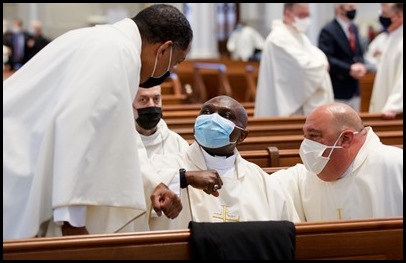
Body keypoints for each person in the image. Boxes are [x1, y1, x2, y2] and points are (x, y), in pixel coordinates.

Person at [3, 4, 193, 240]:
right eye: (176, 61)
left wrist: (152, 183)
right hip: (15, 158)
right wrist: (72, 222)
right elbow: (77, 129)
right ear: (164, 49)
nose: (171, 69)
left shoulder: (107, 42)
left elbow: (120, 133)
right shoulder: (116, 53)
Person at [149, 95, 300, 231]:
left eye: (226, 115)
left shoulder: (263, 182)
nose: (213, 119)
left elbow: (289, 234)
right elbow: (141, 190)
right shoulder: (166, 164)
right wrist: (184, 178)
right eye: (206, 112)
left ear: (242, 136)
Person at [271, 102, 403, 222]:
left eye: (314, 136)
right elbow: (265, 187)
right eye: (305, 136)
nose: (306, 145)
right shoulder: (304, 176)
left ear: (345, 139)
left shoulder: (396, 166)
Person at [255, 3, 334, 117]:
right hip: (289, 112)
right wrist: (322, 65)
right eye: (302, 15)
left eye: (308, 15)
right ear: (288, 14)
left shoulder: (297, 35)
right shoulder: (278, 39)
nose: (306, 20)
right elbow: (304, 69)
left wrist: (321, 62)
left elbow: (318, 55)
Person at [318, 3, 368, 112]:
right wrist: (349, 69)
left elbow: (358, 52)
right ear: (339, 9)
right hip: (338, 87)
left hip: (354, 88)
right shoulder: (328, 30)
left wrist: (360, 64)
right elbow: (327, 58)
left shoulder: (354, 28)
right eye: (350, 7)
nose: (353, 10)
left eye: (354, 7)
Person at [133, 85, 189, 157]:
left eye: (156, 99)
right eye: (143, 99)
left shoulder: (178, 144)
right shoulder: (118, 142)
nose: (151, 105)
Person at [369, 3, 403, 119]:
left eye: (385, 14)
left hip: (393, 113)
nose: (382, 17)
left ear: (399, 15)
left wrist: (394, 105)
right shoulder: (392, 36)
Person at [364, 3, 392, 71]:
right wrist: (375, 54)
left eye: (385, 13)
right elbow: (368, 57)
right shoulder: (381, 38)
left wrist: (383, 54)